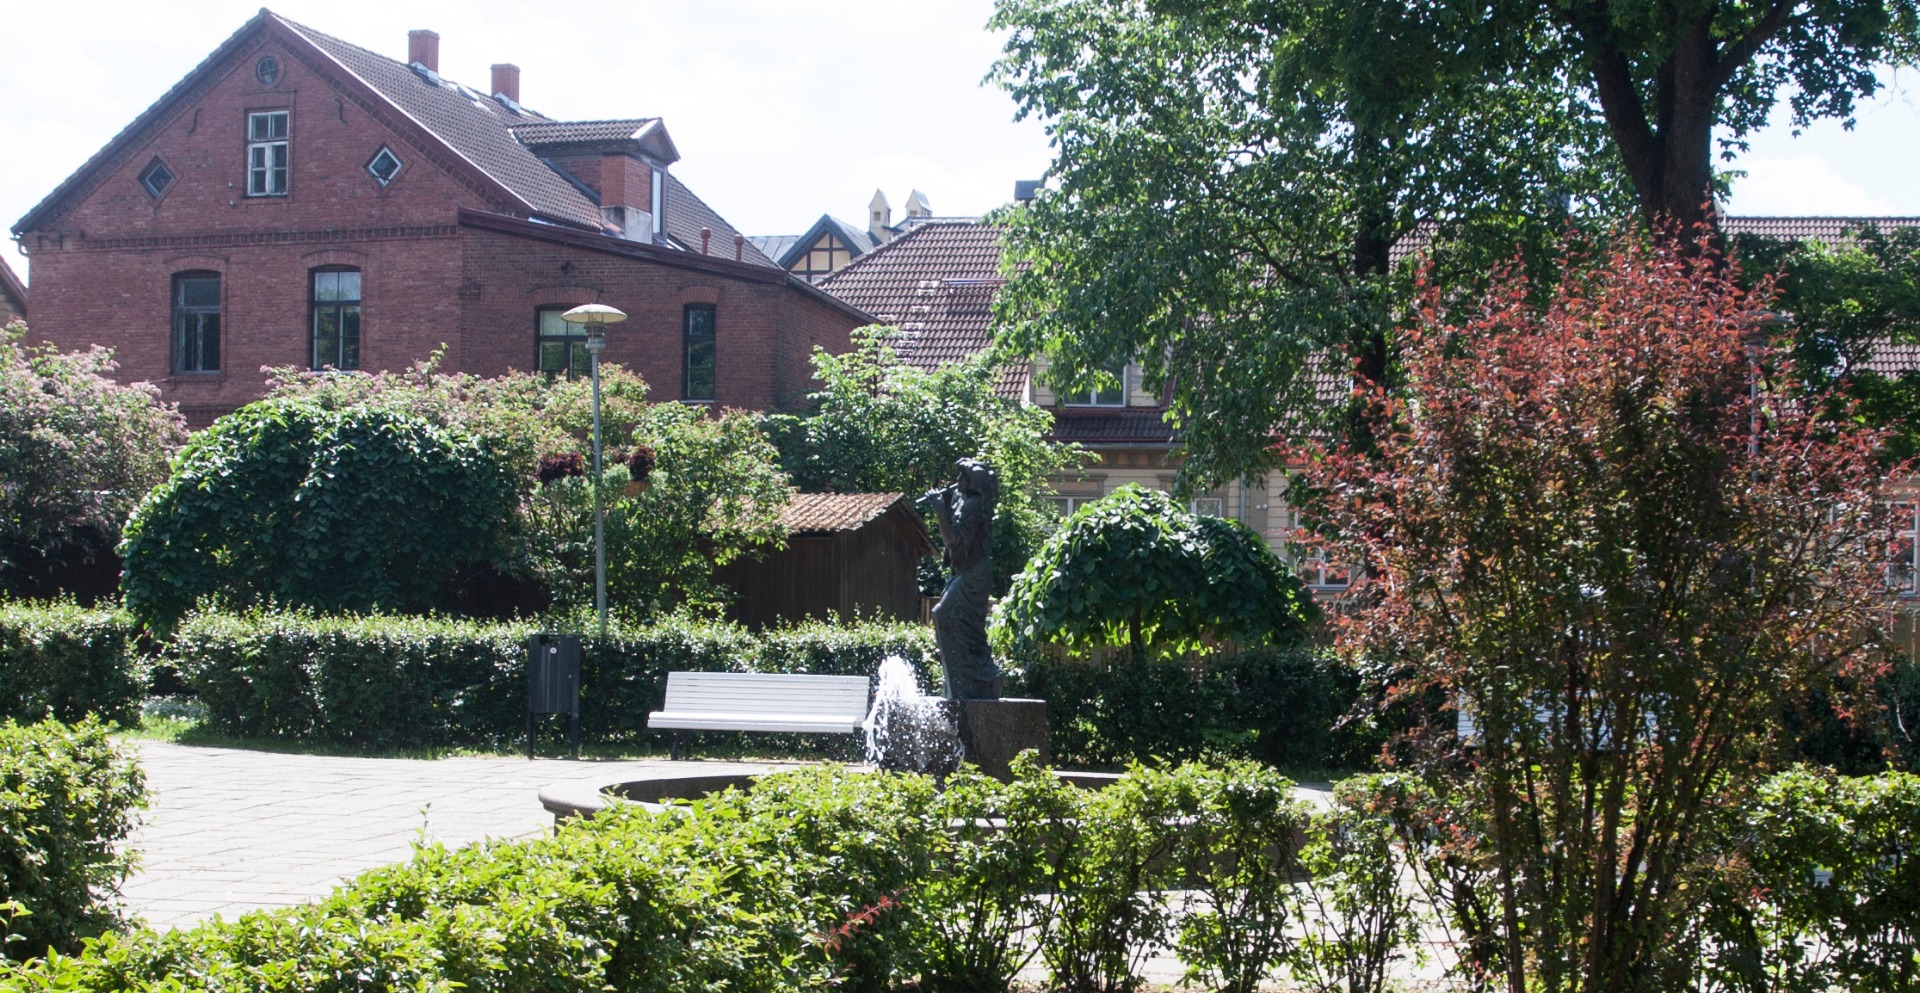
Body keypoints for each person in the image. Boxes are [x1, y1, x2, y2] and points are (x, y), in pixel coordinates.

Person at [923, 459, 1003, 700]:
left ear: (972, 483)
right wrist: (945, 504)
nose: (956, 482)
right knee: (957, 622)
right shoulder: (964, 500)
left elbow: (955, 542)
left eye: (961, 478)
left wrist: (939, 513)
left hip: (975, 573)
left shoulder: (975, 505)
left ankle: (971, 680)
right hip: (965, 572)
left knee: (948, 615)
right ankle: (962, 684)